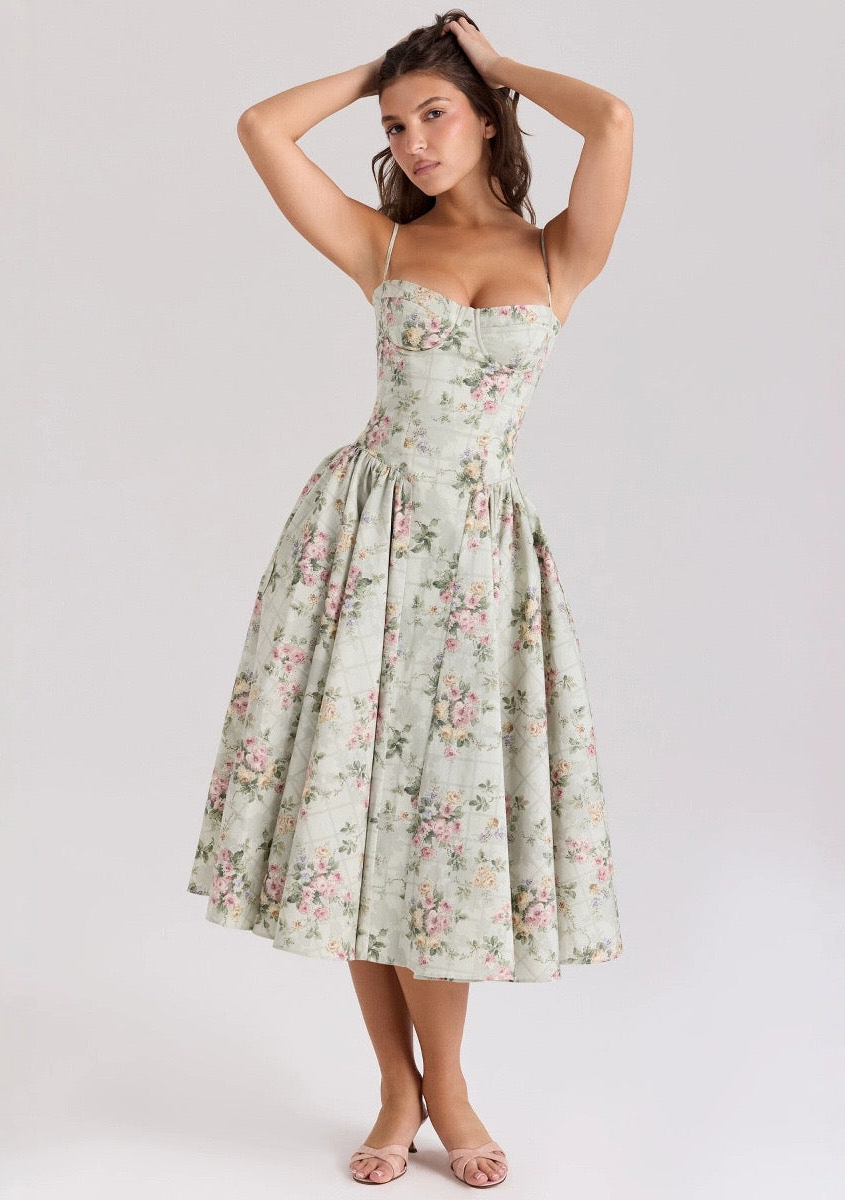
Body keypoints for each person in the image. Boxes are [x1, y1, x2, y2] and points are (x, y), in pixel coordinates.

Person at [186, 9, 633, 1188]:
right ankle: (401, 1090)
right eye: (395, 128)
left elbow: (613, 120)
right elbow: (261, 126)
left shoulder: (559, 256)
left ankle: (455, 1088)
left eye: (434, 115)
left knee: (445, 835)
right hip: (361, 547)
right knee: (358, 818)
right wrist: (382, 70)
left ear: (485, 119)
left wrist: (489, 62)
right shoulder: (383, 247)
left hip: (480, 568)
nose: (414, 142)